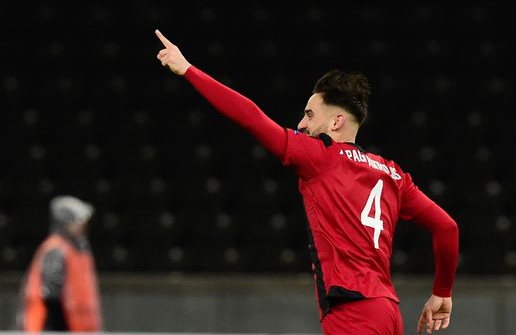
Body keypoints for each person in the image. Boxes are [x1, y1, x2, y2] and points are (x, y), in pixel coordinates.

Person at [154, 29, 459, 335]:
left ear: (336, 122)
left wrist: (189, 70)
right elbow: (447, 228)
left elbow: (251, 117)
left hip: (351, 311)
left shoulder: (321, 156)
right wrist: (442, 292)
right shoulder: (393, 173)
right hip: (389, 312)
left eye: (310, 114)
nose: (301, 123)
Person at [16, 195, 102, 332]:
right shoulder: (56, 250)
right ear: (65, 222)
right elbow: (51, 298)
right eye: (78, 222)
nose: (82, 227)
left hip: (78, 327)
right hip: (55, 327)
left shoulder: (78, 251)